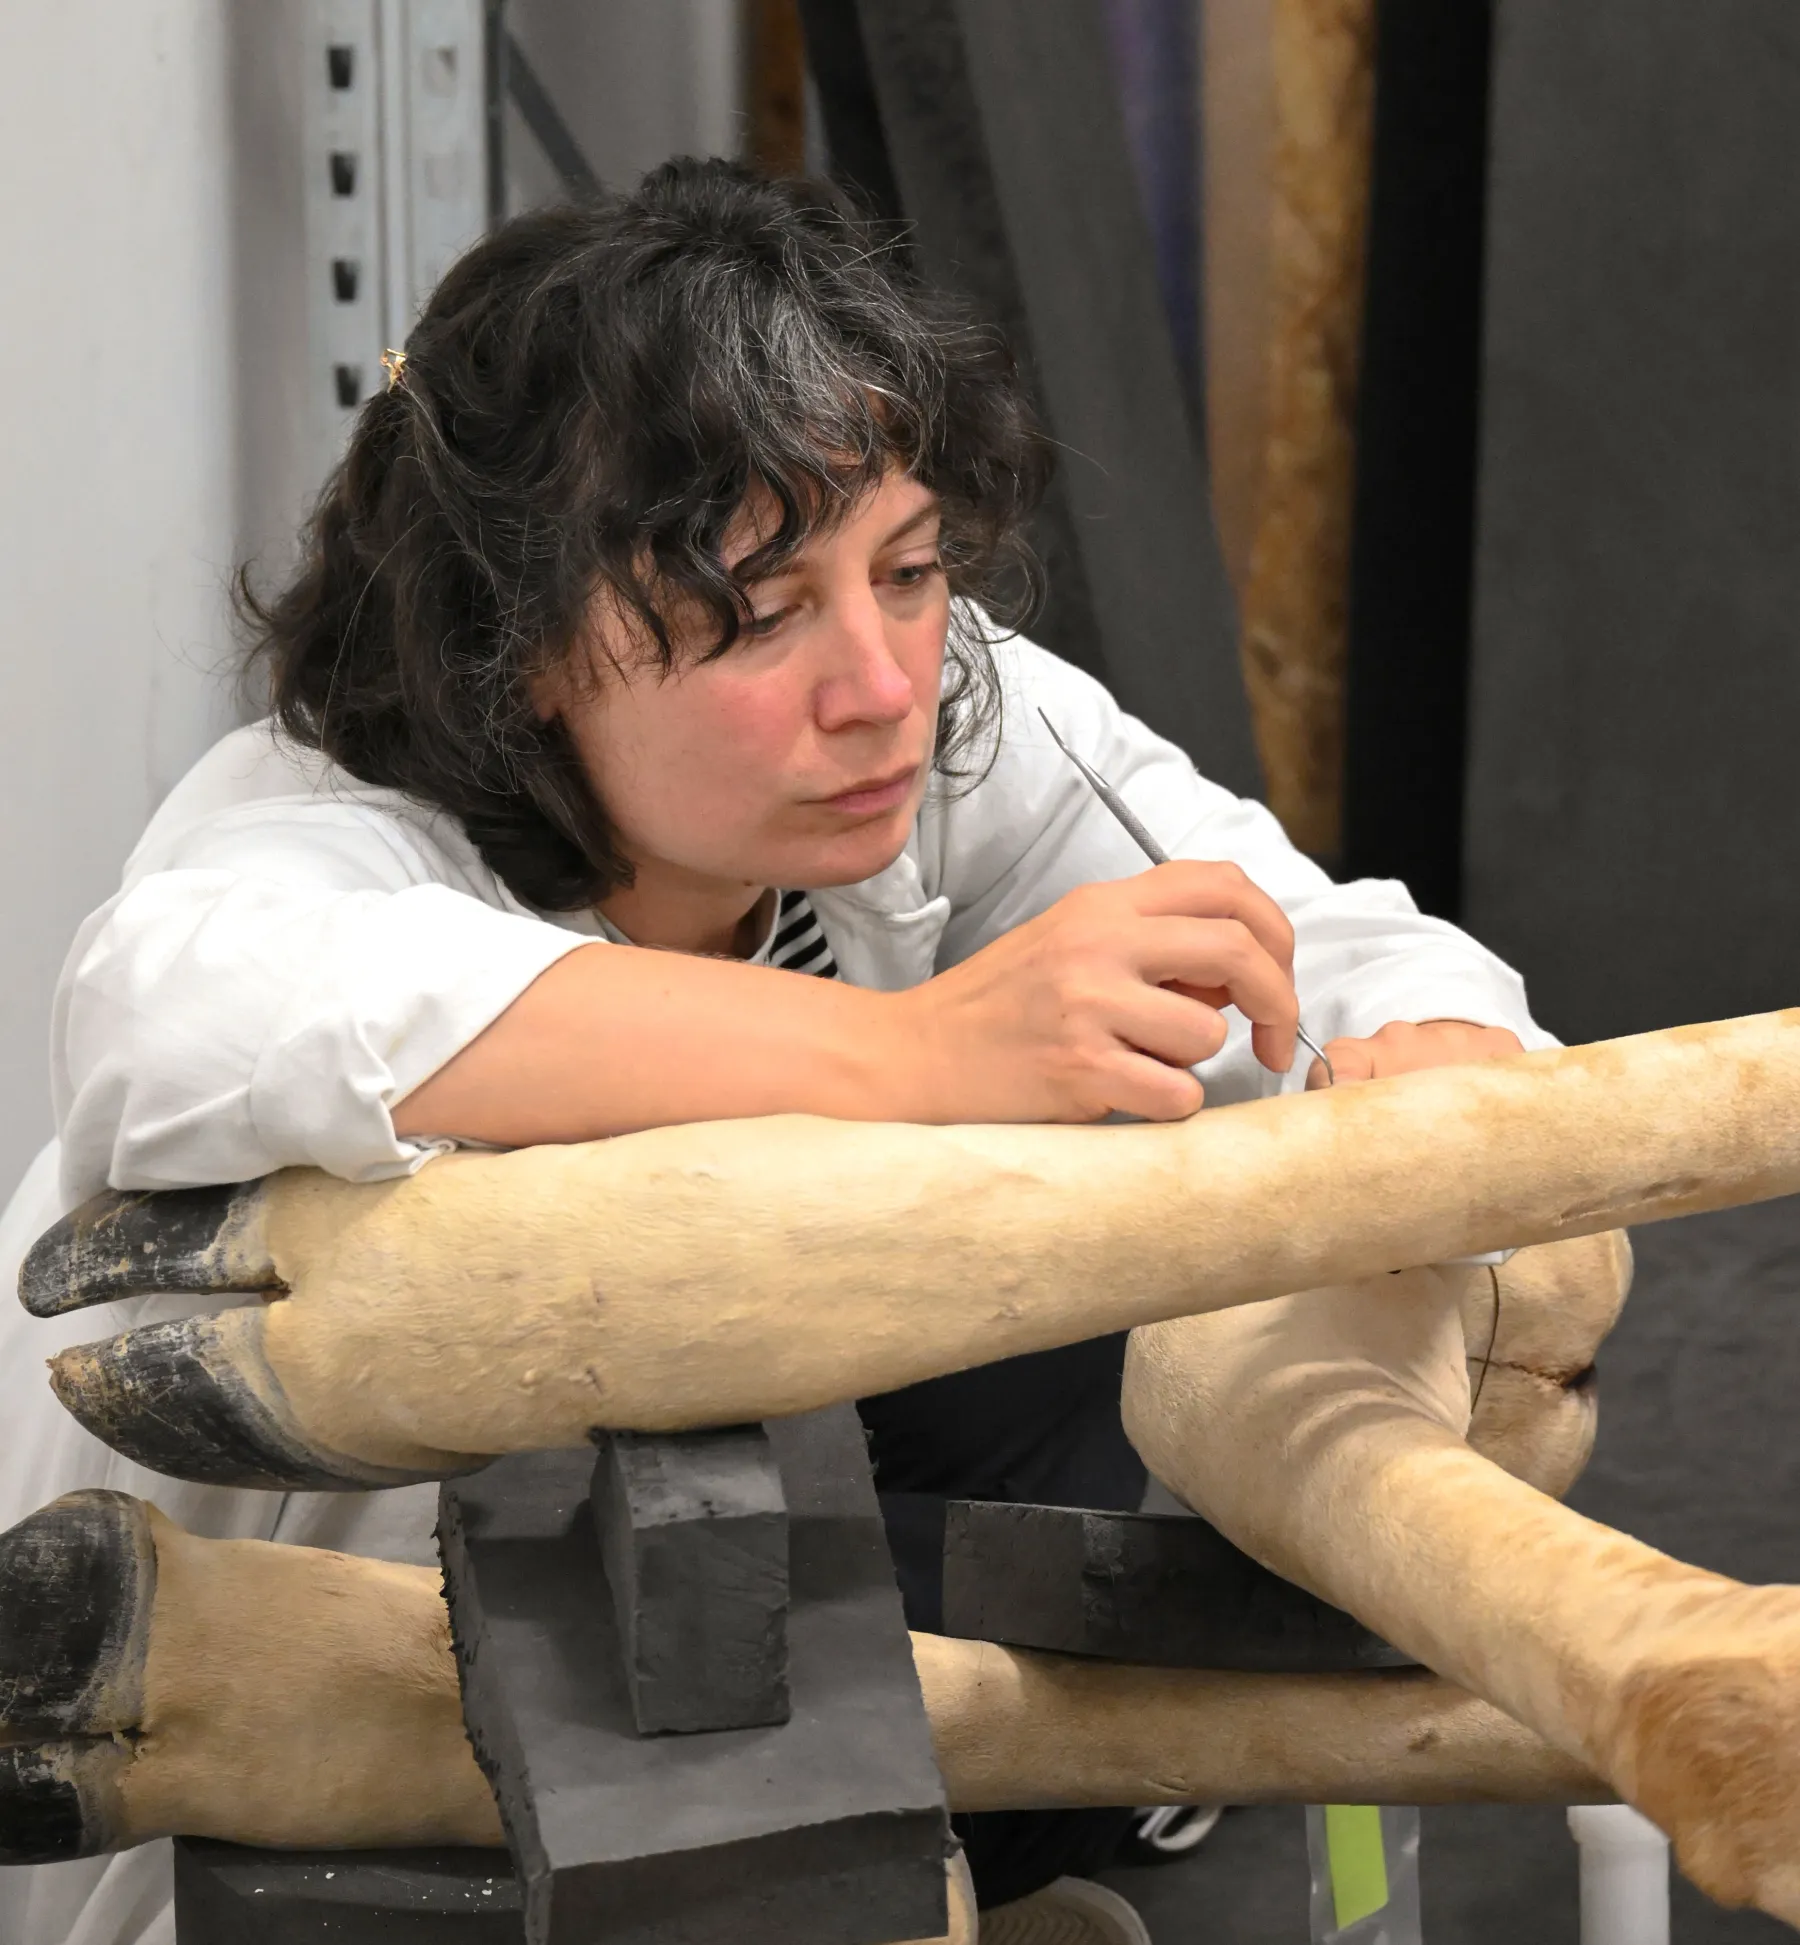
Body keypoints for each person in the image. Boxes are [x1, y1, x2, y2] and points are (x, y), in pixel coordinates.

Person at [0, 159, 1545, 1945]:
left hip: (694, 1658)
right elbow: (173, 1002)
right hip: (300, 1801)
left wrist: (1429, 1070)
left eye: (910, 567)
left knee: (1124, 1225)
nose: (879, 683)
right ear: (520, 644)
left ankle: (1007, 1825)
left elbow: (1330, 936)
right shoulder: (317, 829)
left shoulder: (945, 714)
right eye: (759, 608)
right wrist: (920, 1051)